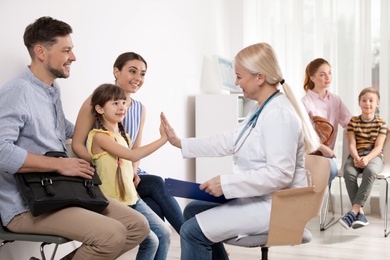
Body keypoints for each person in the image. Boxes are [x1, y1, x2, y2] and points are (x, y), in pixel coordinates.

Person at [0, 16, 149, 260]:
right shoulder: (17, 92)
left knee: (138, 226)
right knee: (111, 235)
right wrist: (60, 164)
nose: (73, 57)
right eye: (66, 50)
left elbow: (64, 129)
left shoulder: (51, 90)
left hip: (62, 192)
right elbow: (2, 152)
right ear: (40, 51)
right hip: (26, 205)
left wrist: (104, 135)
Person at [161, 42, 321, 260]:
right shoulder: (261, 108)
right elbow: (230, 140)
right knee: (192, 210)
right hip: (260, 197)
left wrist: (225, 184)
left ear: (260, 77)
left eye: (239, 76)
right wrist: (181, 143)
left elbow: (279, 174)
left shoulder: (279, 115)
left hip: (277, 207)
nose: (236, 83)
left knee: (191, 232)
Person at [72, 52, 184, 234]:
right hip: (104, 174)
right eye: (132, 71)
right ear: (116, 71)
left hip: (130, 173)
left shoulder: (139, 109)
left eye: (142, 74)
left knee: (156, 205)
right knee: (157, 184)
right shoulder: (96, 102)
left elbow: (135, 149)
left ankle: (198, 244)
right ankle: (198, 243)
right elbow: (77, 144)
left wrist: (131, 172)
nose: (138, 78)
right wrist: (100, 163)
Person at [87, 83, 171, 260]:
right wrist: (163, 139)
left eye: (123, 103)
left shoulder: (123, 136)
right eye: (115, 103)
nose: (121, 107)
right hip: (113, 203)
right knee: (151, 241)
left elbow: (126, 164)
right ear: (99, 109)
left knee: (164, 234)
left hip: (132, 199)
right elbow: (132, 155)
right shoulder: (99, 136)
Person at [339, 87, 387, 229]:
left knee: (370, 172)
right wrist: (356, 157)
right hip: (355, 156)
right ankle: (360, 213)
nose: (367, 103)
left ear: (377, 103)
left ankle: (354, 210)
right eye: (364, 100)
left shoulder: (381, 123)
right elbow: (352, 144)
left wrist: (367, 158)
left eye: (371, 100)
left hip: (374, 157)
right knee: (348, 172)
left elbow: (378, 147)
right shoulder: (353, 122)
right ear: (359, 103)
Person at [302, 58, 352, 184]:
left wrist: (378, 126)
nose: (328, 77)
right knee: (331, 170)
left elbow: (350, 122)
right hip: (309, 154)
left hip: (327, 156)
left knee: (329, 170)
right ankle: (318, 203)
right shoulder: (305, 102)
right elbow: (302, 134)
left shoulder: (336, 100)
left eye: (329, 73)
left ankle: (322, 203)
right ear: (312, 78)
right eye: (322, 74)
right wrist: (323, 148)